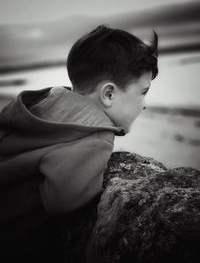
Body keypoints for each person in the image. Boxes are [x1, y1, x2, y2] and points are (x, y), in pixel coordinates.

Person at [0, 25, 158, 262]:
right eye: (142, 92)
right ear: (109, 95)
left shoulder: (46, 103)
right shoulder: (95, 136)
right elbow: (61, 201)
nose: (144, 104)